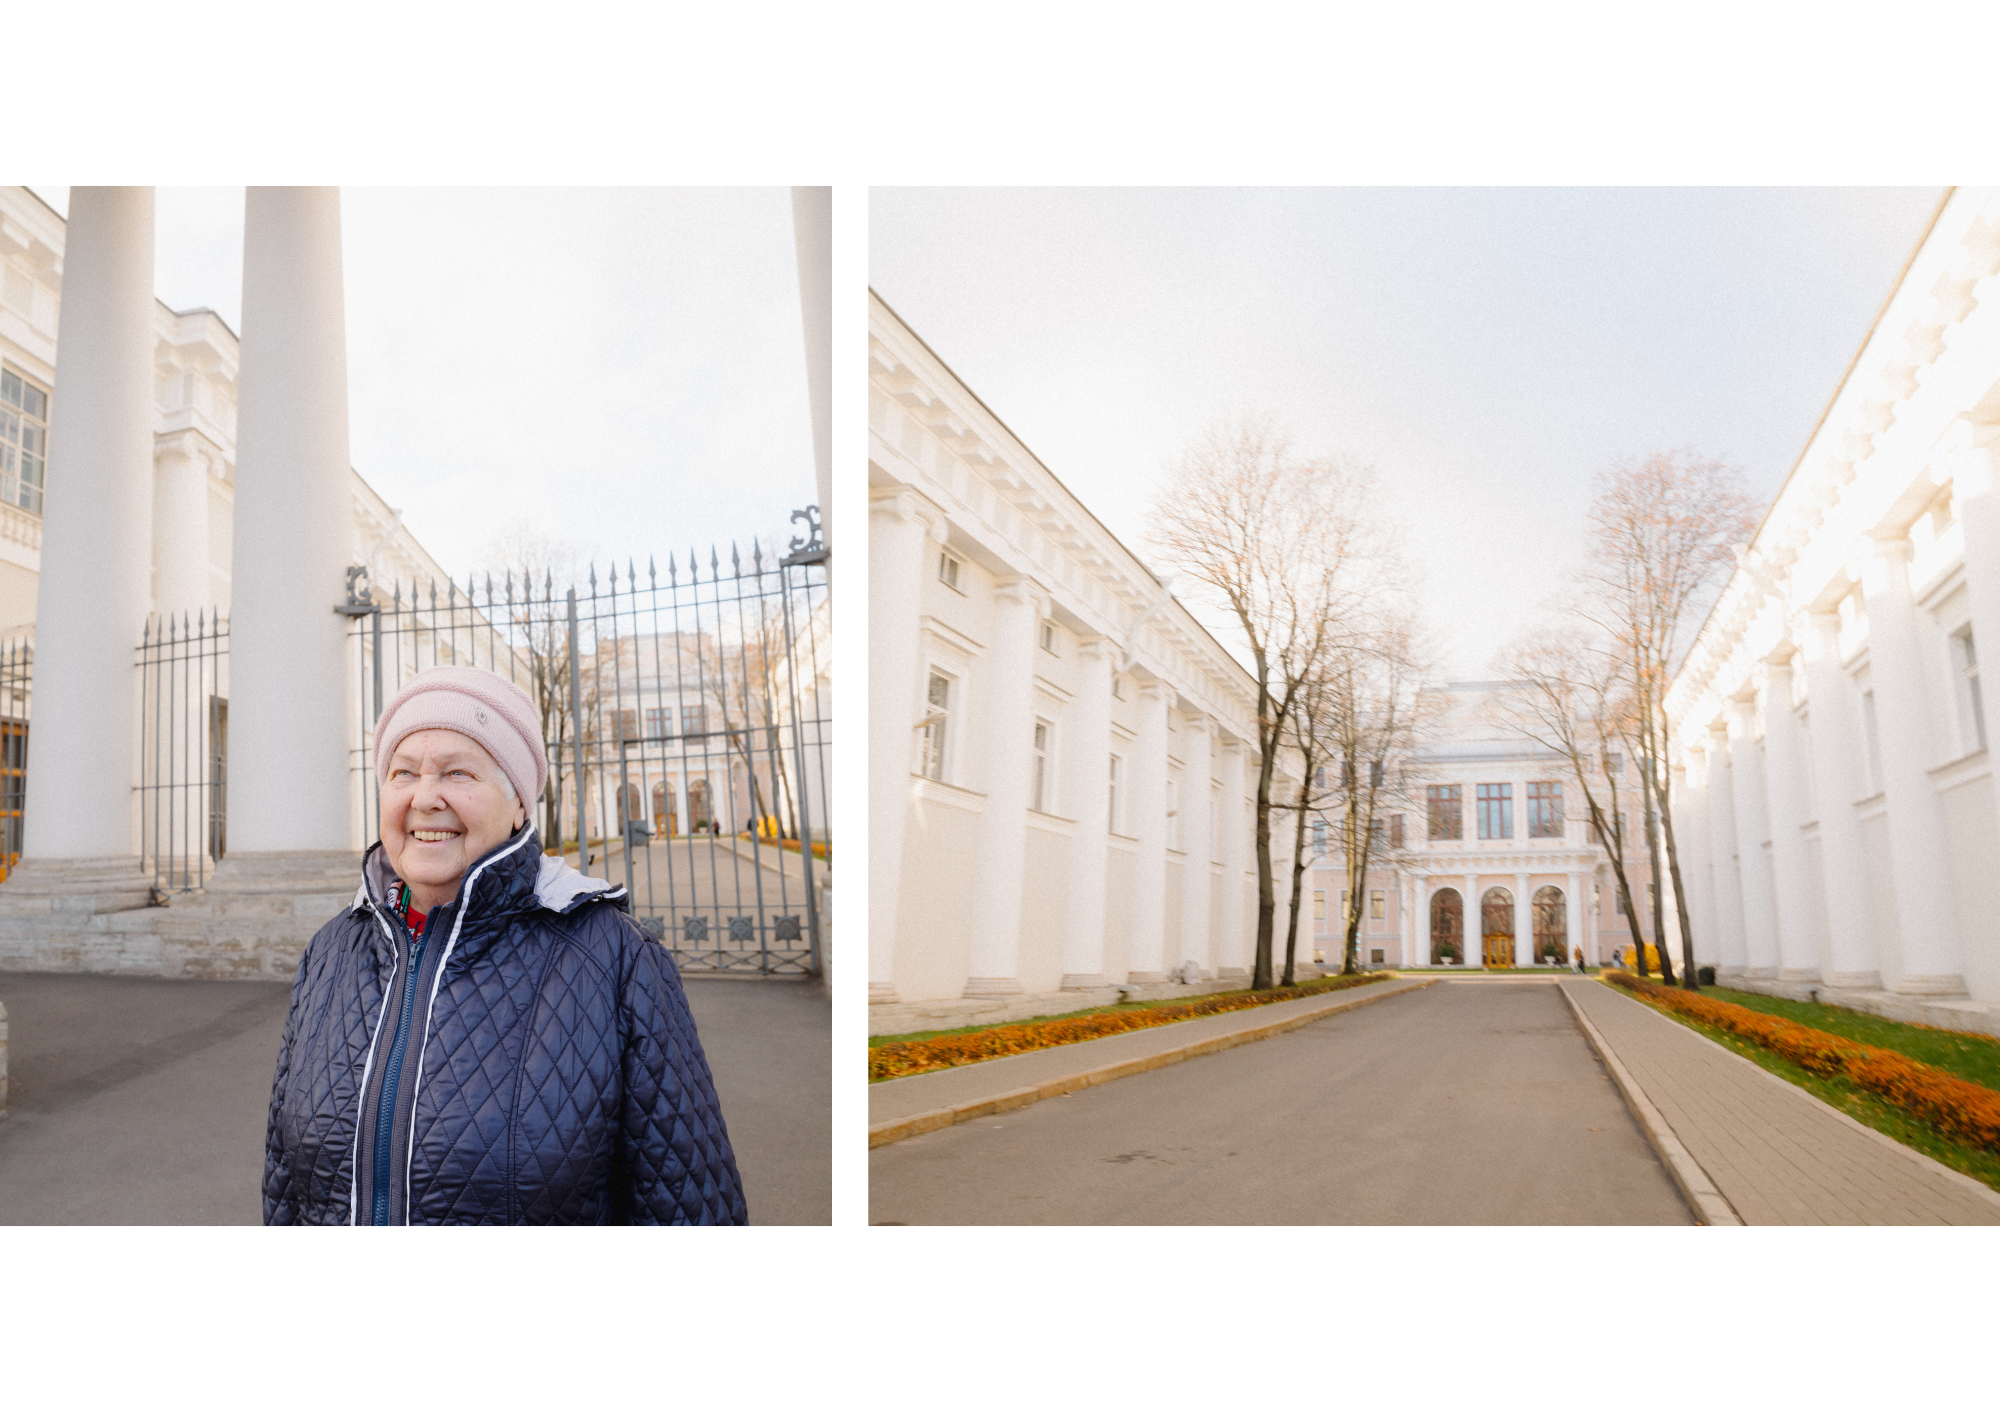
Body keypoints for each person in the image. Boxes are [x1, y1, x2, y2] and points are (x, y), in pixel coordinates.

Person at [263, 665, 746, 1225]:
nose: (425, 798)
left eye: (458, 773)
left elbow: (688, 1205)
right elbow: (284, 1188)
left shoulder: (615, 959)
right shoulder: (331, 952)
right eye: (403, 773)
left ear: (519, 803)